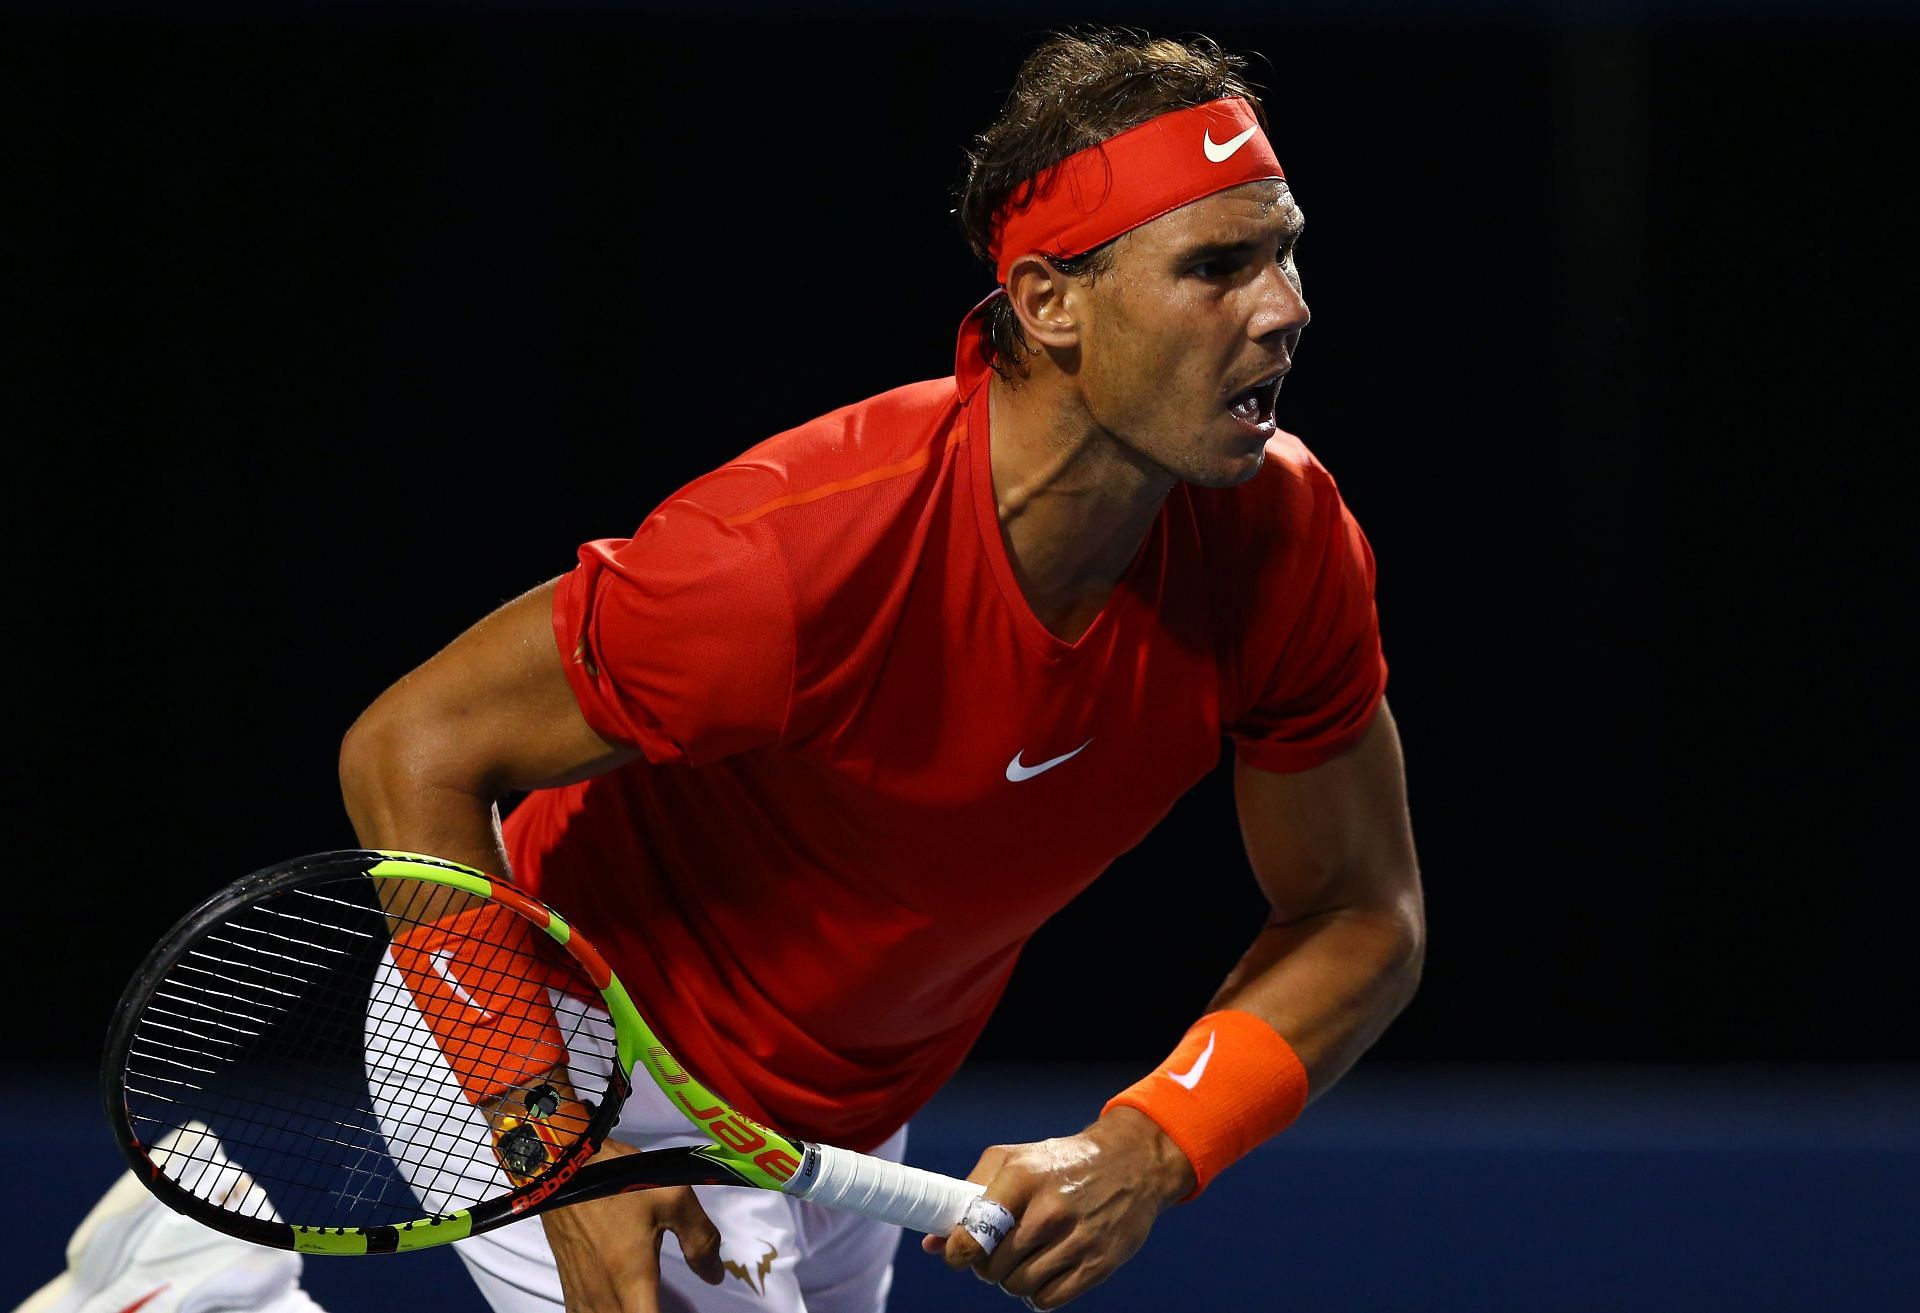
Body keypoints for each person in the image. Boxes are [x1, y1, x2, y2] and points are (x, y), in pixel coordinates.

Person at [28, 26, 1422, 1313]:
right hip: (574, 1048)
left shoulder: (1284, 543)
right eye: (1216, 266)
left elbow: (1363, 913)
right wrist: (554, 1151)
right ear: (1052, 304)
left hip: (837, 1117)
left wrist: (1155, 1138)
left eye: (1284, 253)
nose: (1286, 307)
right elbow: (411, 746)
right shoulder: (795, 557)